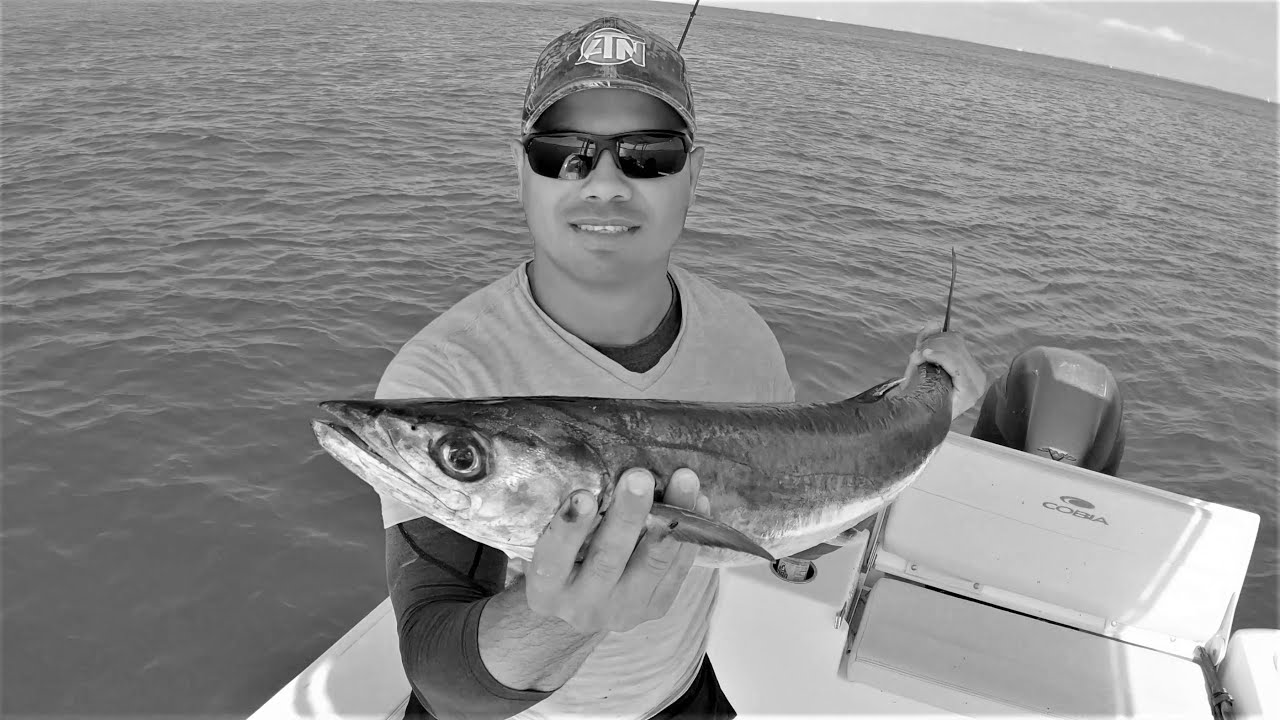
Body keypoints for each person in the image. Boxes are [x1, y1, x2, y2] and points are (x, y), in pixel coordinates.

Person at [373, 15, 987, 720]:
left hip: (680, 696)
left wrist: (934, 401)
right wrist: (569, 615)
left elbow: (784, 518)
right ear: (520, 169)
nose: (604, 183)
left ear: (695, 173)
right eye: (563, 152)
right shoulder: (444, 377)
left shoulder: (743, 336)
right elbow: (441, 678)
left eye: (649, 154)